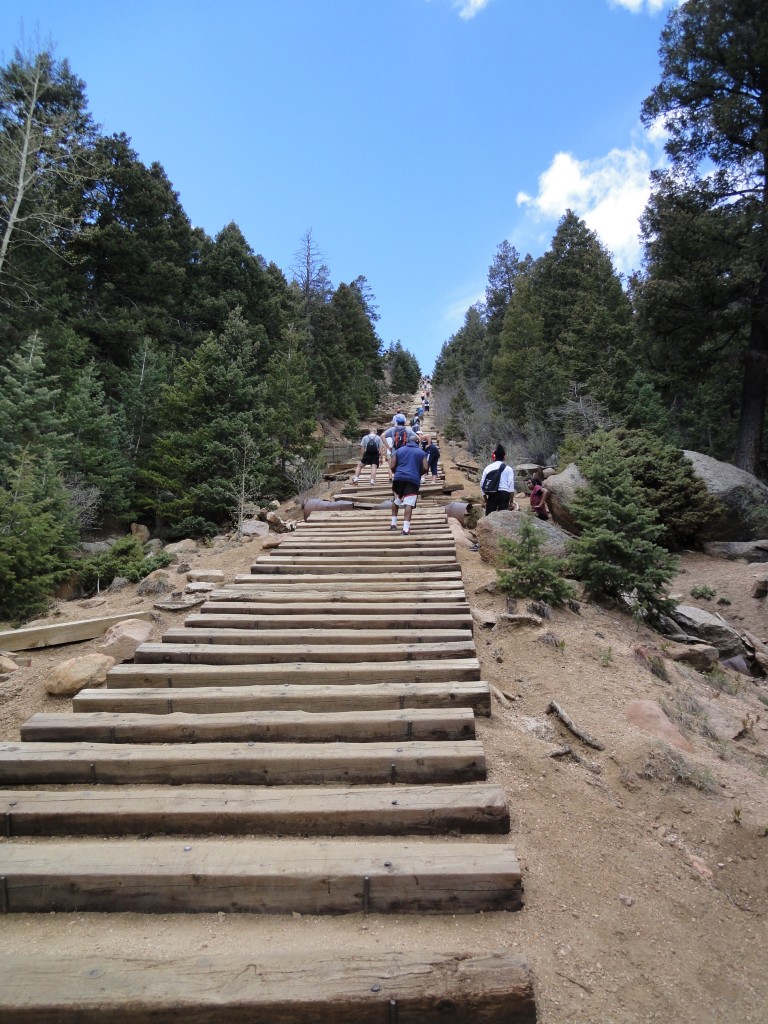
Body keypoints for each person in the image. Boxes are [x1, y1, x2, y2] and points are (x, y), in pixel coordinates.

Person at [390, 434, 428, 534]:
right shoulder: (421, 452)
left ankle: (393, 524)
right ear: (418, 443)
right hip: (412, 479)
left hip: (398, 478)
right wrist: (417, 473)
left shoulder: (399, 450)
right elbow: (426, 467)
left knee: (397, 499)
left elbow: (392, 465)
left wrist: (397, 472)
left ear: (407, 441)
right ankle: (405, 529)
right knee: (409, 503)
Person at [480, 444, 516, 515]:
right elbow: (511, 485)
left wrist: (486, 500)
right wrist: (511, 501)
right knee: (503, 517)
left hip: (492, 493)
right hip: (504, 494)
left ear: (494, 456)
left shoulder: (488, 468)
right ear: (504, 456)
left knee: (489, 517)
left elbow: (482, 484)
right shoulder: (509, 469)